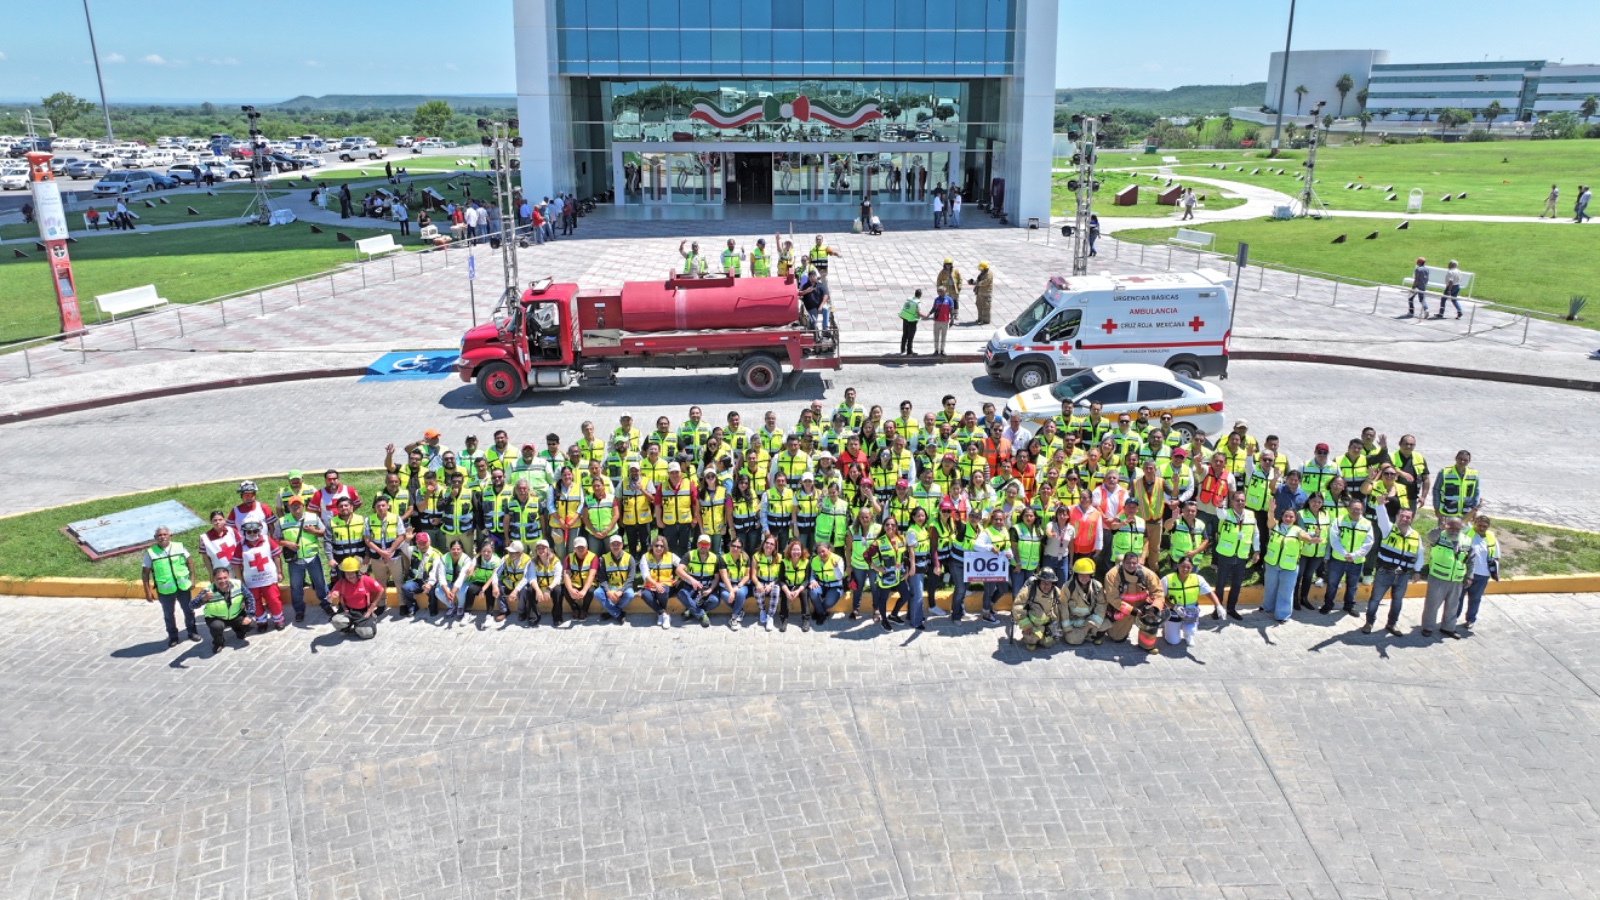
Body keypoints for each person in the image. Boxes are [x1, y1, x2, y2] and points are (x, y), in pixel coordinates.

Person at [142, 526, 200, 647]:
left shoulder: (179, 547)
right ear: (155, 538)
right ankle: (173, 636)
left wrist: (192, 579)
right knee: (168, 614)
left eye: (165, 534)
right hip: (165, 590)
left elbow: (190, 562)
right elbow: (145, 573)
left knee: (189, 610)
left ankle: (192, 632)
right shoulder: (150, 553)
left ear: (170, 536)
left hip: (183, 587)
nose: (162, 537)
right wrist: (147, 592)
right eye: (159, 535)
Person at [1262, 508, 1322, 622]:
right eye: (1286, 516)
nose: (1288, 519)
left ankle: (1282, 615)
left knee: (1286, 591)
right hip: (1272, 563)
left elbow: (1305, 536)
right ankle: (1267, 607)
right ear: (1282, 517)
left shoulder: (1297, 530)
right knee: (1270, 587)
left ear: (1295, 519)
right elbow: (1270, 519)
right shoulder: (1275, 526)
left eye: (1291, 517)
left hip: (1289, 566)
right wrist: (1271, 509)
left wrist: (1312, 539)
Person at [1100, 551, 1165, 653]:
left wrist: (1154, 608)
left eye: (1134, 563)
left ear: (1138, 563)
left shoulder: (1147, 573)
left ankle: (1146, 645)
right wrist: (1132, 610)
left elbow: (1158, 592)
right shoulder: (1112, 575)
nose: (1131, 565)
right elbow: (1112, 598)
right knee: (1117, 638)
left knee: (1152, 618)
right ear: (1123, 563)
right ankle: (1117, 631)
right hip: (1123, 609)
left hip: (1144, 607)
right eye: (1128, 563)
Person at [279, 496, 331, 620]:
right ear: (288, 507)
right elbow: (276, 538)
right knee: (296, 586)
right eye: (293, 505)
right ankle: (299, 610)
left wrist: (314, 531)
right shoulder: (282, 521)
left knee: (320, 583)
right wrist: (288, 544)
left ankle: (326, 604)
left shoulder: (313, 518)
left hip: (312, 557)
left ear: (303, 506)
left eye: (298, 504)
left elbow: (325, 532)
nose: (296, 507)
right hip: (295, 560)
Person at [1420, 516, 1470, 638]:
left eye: (1456, 527)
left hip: (1456, 579)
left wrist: (1469, 576)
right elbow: (1429, 536)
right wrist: (1439, 528)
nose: (1453, 530)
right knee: (1432, 605)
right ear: (1447, 525)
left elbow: (1470, 560)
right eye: (1451, 527)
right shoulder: (1439, 535)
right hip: (1438, 577)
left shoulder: (1467, 540)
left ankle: (1448, 628)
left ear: (1461, 528)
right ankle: (1428, 627)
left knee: (1453, 606)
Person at [1321, 499, 1373, 616]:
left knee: (1352, 586)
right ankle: (1328, 604)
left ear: (1362, 510)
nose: (1355, 511)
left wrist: (1354, 555)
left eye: (1358, 509)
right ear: (1348, 509)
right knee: (1332, 584)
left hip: (1356, 561)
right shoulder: (1338, 521)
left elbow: (1368, 543)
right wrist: (1345, 554)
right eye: (1353, 508)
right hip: (1338, 559)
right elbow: (1334, 539)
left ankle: (1349, 606)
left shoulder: (1367, 524)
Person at [190, 566, 253, 653]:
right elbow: (192, 605)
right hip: (216, 618)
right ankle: (218, 643)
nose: (223, 581)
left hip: (235, 615)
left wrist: (249, 615)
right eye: (219, 579)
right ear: (214, 579)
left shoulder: (238, 584)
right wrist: (203, 598)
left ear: (229, 577)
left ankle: (239, 630)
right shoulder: (208, 590)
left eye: (225, 577)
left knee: (251, 624)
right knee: (217, 627)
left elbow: (249, 598)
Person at [1455, 514, 1499, 629]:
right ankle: (1452, 618)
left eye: (1485, 526)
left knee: (1475, 599)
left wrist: (1494, 571)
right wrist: (1473, 511)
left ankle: (1470, 619)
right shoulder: (1468, 532)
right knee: (1458, 597)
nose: (1481, 528)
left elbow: (1496, 557)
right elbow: (1463, 522)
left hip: (1482, 575)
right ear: (1474, 524)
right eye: (1479, 525)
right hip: (1465, 572)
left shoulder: (1491, 538)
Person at [1162, 556, 1216, 647]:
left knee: (1191, 630)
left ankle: (1188, 636)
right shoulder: (1167, 579)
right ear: (1178, 566)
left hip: (1190, 611)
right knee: (1173, 641)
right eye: (1183, 566)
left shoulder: (1197, 579)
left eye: (1188, 567)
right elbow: (1159, 596)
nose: (1185, 569)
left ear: (1192, 568)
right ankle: (1167, 629)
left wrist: (1218, 606)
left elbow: (1209, 592)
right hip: (1173, 611)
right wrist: (1174, 606)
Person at [327, 557, 383, 640]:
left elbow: (381, 589)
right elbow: (328, 599)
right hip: (347, 610)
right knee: (336, 620)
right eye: (347, 573)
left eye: (352, 573)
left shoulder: (365, 580)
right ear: (344, 574)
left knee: (367, 634)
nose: (350, 576)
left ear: (357, 572)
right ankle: (347, 627)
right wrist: (331, 597)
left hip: (363, 612)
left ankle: (366, 622)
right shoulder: (341, 583)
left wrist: (372, 607)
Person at [1058, 558, 1106, 645]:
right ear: (1076, 575)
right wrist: (1067, 627)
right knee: (1072, 640)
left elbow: (1101, 604)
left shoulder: (1097, 586)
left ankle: (1088, 633)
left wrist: (1094, 621)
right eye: (1081, 575)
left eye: (1087, 575)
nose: (1084, 578)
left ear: (1091, 575)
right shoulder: (1068, 587)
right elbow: (1063, 607)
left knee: (1106, 624)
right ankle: (1088, 634)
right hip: (1075, 621)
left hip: (1090, 619)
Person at [1011, 567, 1060, 651]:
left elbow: (1061, 606)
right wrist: (1026, 626)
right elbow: (1017, 607)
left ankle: (1042, 637)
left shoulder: (1056, 591)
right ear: (1039, 582)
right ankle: (1030, 639)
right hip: (1032, 626)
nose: (1046, 586)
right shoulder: (1029, 591)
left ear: (1053, 583)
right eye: (1043, 582)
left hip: (1047, 625)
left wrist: (1058, 625)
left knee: (1048, 644)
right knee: (1031, 642)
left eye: (1049, 583)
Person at [898, 289, 925, 356]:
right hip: (912, 321)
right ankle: (909, 351)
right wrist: (926, 316)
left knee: (904, 334)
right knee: (910, 336)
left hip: (905, 318)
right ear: (920, 295)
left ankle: (902, 349)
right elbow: (918, 313)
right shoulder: (918, 302)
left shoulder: (909, 299)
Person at [929, 287, 955, 356]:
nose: (941, 293)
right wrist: (929, 313)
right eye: (939, 291)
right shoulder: (936, 299)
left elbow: (951, 310)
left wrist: (952, 319)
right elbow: (934, 308)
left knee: (944, 336)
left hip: (945, 321)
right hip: (937, 320)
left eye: (942, 291)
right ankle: (936, 350)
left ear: (945, 291)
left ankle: (942, 350)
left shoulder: (949, 299)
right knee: (936, 336)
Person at [968, 261, 994, 325]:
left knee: (986, 307)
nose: (980, 270)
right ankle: (980, 319)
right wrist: (973, 282)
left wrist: (976, 283)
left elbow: (985, 282)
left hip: (986, 293)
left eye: (981, 269)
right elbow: (979, 280)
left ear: (985, 268)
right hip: (980, 293)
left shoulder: (989, 274)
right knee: (979, 305)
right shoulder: (982, 273)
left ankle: (986, 321)